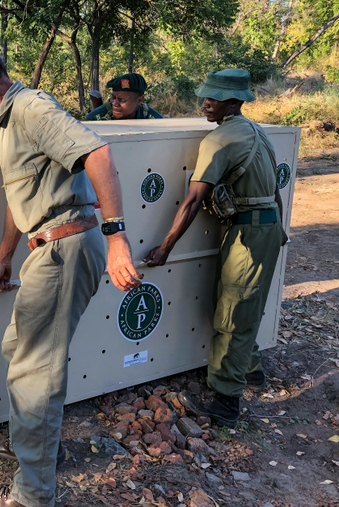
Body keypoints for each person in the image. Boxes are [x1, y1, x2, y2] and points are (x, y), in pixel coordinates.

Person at [0, 43, 141, 507]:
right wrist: (5, 252)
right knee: (20, 349)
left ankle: (32, 493)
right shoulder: (3, 121)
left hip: (66, 247)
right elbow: (20, 192)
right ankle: (33, 446)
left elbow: (99, 155)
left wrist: (118, 240)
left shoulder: (31, 108)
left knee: (36, 374)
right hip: (43, 247)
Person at [143, 69, 288, 428]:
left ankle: (226, 402)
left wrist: (165, 247)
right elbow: (275, 191)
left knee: (233, 314)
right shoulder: (256, 132)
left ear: (235, 102)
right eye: (205, 95)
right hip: (263, 228)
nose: (204, 102)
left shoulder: (219, 140)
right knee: (240, 304)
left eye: (214, 97)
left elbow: (193, 200)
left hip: (249, 233)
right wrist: (280, 228)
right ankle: (250, 370)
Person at [85, 73, 162, 121]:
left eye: (122, 100)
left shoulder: (154, 121)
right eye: (113, 97)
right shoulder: (95, 118)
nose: (114, 103)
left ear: (139, 100)